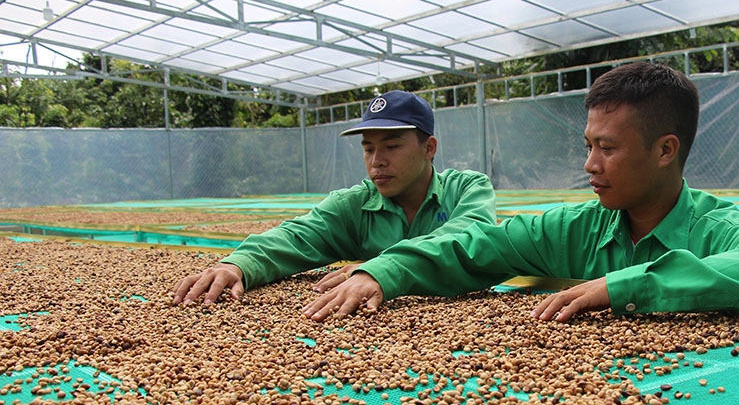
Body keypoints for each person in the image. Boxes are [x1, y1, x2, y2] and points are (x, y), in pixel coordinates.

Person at [301, 62, 739, 322]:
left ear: (665, 150)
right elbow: (480, 245)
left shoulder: (715, 228)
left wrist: (621, 287)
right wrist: (385, 272)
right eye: (588, 145)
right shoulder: (575, 229)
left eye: (607, 148)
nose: (589, 165)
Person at [172, 90, 496, 305]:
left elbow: (468, 236)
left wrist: (383, 266)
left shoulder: (467, 189)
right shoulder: (355, 205)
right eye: (368, 148)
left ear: (429, 148)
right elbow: (297, 236)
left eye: (392, 146)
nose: (377, 160)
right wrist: (238, 264)